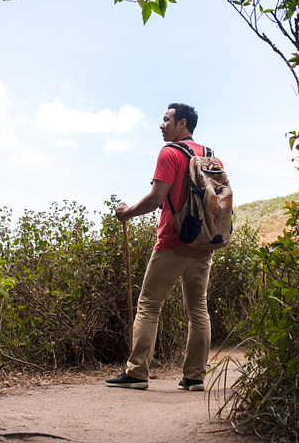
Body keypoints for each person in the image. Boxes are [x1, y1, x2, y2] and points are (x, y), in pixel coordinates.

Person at [106, 103, 217, 392]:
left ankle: (136, 372)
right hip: (204, 241)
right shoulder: (208, 154)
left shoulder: (170, 153)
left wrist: (127, 212)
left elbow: (157, 198)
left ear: (182, 124)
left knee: (149, 305)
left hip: (173, 240)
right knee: (198, 308)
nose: (161, 124)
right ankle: (194, 377)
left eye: (166, 119)